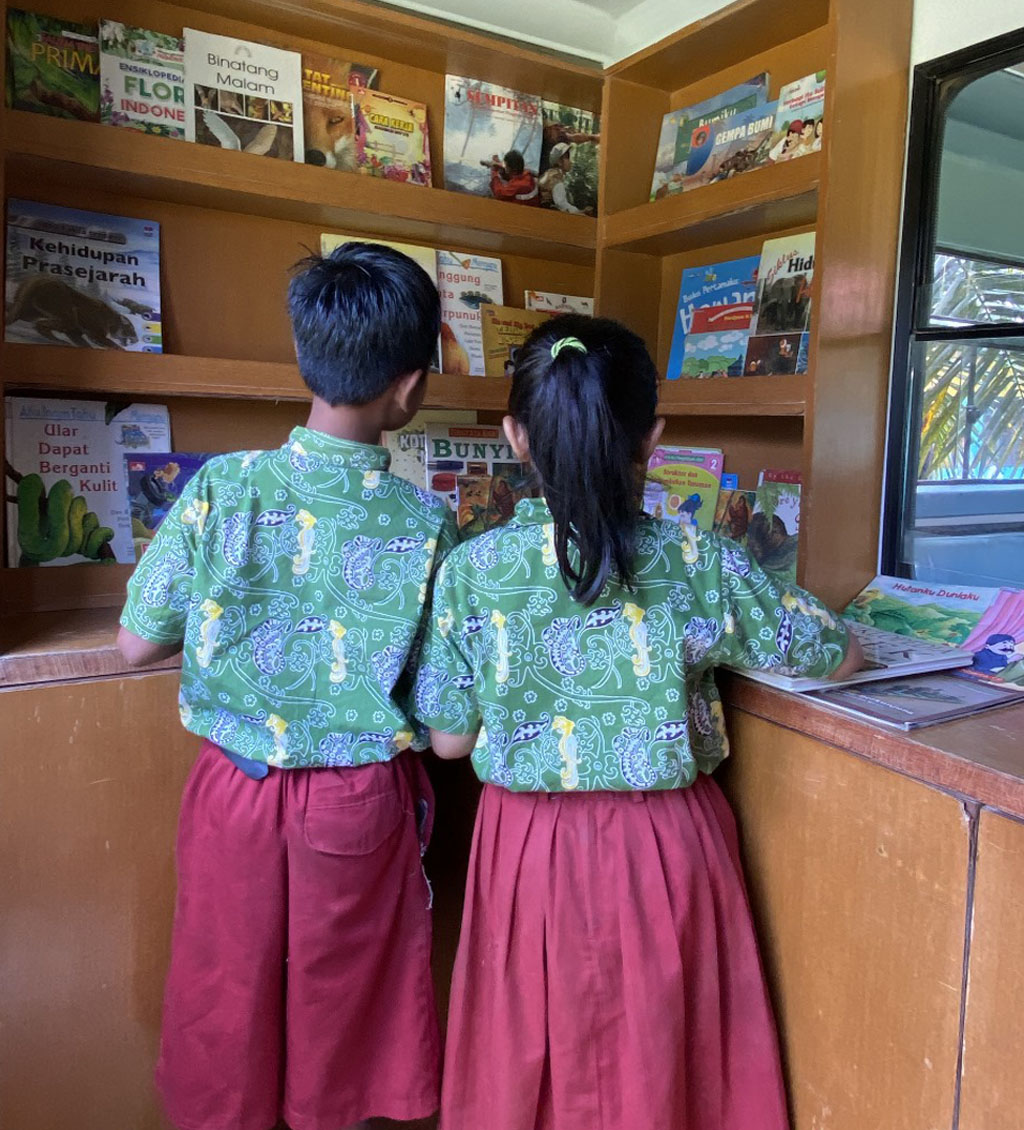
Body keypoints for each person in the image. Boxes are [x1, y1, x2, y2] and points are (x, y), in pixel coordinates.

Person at [414, 315, 863, 1130]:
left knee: (535, 1066)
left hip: (528, 853)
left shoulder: (472, 570)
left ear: (515, 436)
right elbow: (833, 651)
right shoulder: (704, 561)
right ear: (651, 439)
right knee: (666, 1064)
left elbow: (449, 739)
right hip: (665, 849)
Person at [117, 243, 457, 1130]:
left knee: (221, 991)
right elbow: (437, 692)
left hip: (232, 790)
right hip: (358, 804)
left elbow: (131, 643)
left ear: (306, 354)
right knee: (341, 1013)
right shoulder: (427, 523)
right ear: (410, 386)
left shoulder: (221, 490)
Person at [538, 140, 589, 213]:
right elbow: (561, 204)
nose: (570, 161)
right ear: (559, 161)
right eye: (567, 157)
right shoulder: (556, 177)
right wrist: (580, 212)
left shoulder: (549, 173)